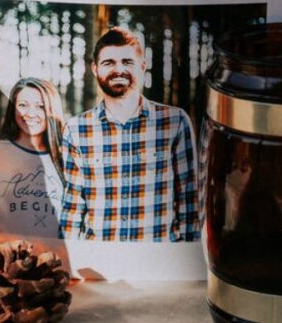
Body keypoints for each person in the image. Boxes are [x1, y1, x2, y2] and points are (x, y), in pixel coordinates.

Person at [60, 26, 198, 242]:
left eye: (127, 62)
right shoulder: (76, 129)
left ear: (142, 67)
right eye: (109, 63)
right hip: (98, 261)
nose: (119, 70)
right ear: (95, 69)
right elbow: (73, 208)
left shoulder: (175, 122)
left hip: (158, 260)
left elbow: (189, 204)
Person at [0, 77, 65, 238]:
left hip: (54, 257)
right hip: (7, 255)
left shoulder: (67, 157)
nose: (30, 114)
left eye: (40, 106)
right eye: (22, 105)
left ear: (52, 111)